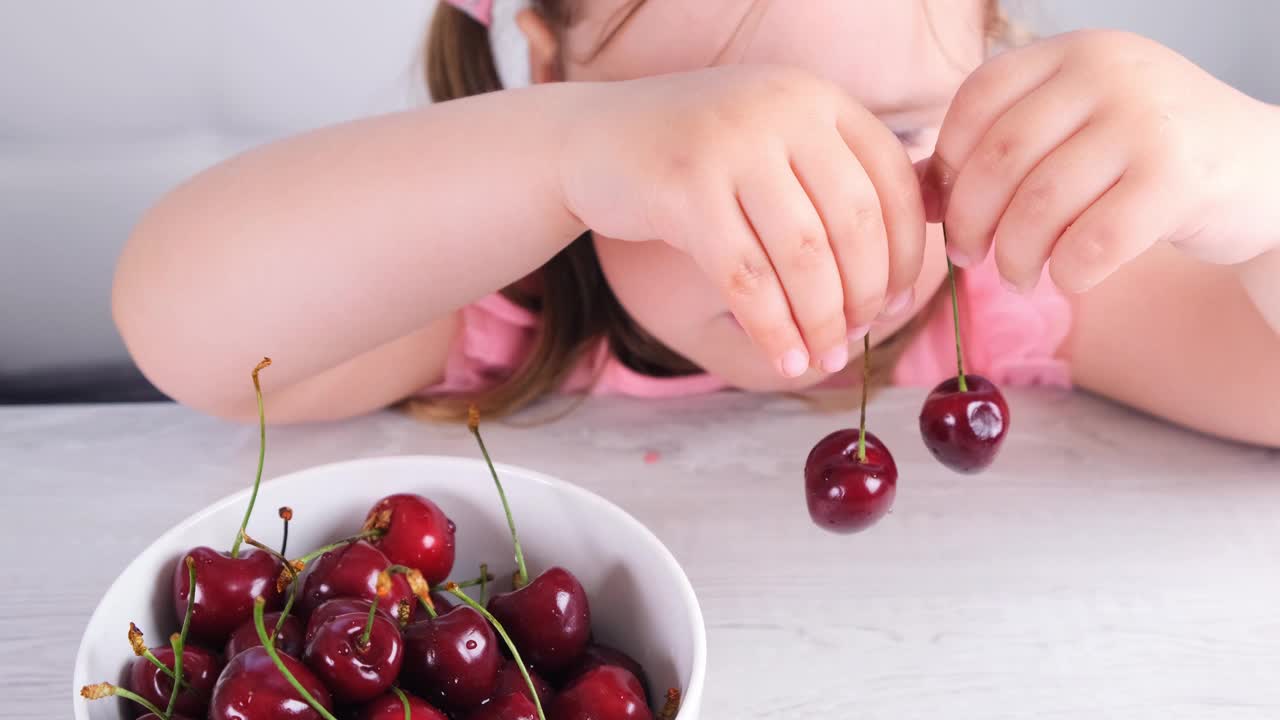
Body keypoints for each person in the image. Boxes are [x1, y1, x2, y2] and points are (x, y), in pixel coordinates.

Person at [112, 0, 1280, 446]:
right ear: (548, 67)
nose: (802, 233)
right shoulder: (493, 300)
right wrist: (567, 154)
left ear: (989, 54)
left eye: (896, 131)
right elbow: (185, 334)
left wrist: (1260, 183)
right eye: (688, 158)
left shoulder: (1019, 284)